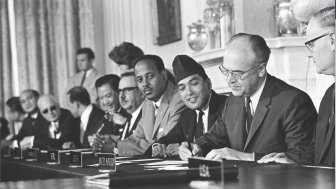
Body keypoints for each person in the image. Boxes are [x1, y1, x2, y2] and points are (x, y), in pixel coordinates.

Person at [178, 33, 317, 162]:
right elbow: (214, 137)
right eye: (226, 71)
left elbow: (302, 157)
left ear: (261, 70)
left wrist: (247, 157)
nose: (229, 80)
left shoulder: (293, 102)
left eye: (237, 73)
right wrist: (196, 147)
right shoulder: (234, 99)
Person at [258, 7, 335, 166]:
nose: (309, 53)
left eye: (311, 44)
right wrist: (291, 160)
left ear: (333, 40)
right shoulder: (329, 96)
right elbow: (318, 154)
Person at [93, 55, 186, 156]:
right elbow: (136, 136)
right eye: (140, 80)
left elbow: (162, 144)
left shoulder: (179, 99)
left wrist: (116, 146)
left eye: (150, 76)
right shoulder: (148, 103)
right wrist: (111, 142)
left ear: (163, 76)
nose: (145, 84)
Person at [152, 55, 227, 157]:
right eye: (182, 88)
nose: (189, 92)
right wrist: (158, 146)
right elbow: (169, 138)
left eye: (194, 83)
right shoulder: (187, 115)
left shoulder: (226, 106)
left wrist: (185, 148)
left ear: (208, 83)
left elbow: (222, 142)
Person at [117, 72, 145, 140]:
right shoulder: (130, 117)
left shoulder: (147, 115)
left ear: (141, 93)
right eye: (120, 91)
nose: (122, 96)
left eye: (127, 90)